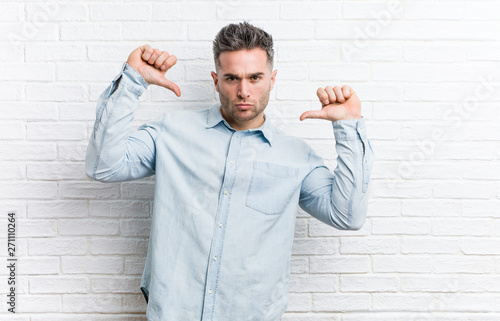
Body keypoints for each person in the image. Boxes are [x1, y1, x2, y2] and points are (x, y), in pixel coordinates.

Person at [86, 22, 374, 321]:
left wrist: (348, 127)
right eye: (232, 78)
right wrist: (133, 81)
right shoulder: (171, 132)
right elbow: (103, 166)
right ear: (216, 79)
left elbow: (347, 216)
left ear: (272, 79)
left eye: (255, 77)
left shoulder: (297, 158)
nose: (243, 91)